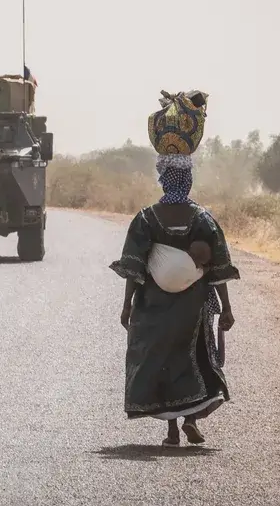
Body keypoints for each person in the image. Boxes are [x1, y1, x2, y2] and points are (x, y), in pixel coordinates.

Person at [110, 152, 240, 447]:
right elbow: (219, 267)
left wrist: (127, 305)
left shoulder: (145, 219)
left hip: (153, 304)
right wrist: (227, 309)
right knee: (192, 356)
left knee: (161, 359)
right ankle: (190, 420)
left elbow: (133, 266)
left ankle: (171, 431)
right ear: (188, 180)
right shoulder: (203, 219)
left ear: (163, 180)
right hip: (193, 304)